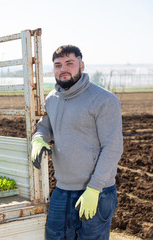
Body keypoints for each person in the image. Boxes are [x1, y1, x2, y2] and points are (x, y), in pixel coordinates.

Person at [31, 45, 123, 240]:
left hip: (96, 192)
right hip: (62, 190)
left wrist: (94, 188)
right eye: (58, 65)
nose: (63, 69)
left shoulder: (104, 100)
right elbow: (45, 127)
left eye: (69, 63)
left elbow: (113, 147)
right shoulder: (52, 99)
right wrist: (38, 139)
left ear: (81, 65)